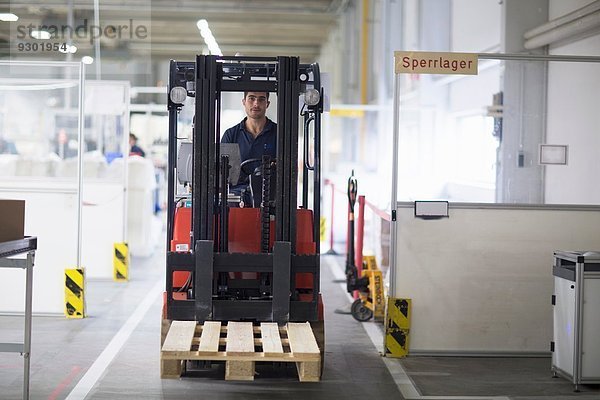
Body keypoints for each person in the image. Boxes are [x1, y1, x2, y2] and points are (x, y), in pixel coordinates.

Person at [221, 91, 276, 183]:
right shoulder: (231, 135)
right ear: (244, 102)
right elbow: (222, 172)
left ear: (267, 104)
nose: (256, 103)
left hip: (269, 193)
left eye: (261, 99)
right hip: (236, 193)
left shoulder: (279, 134)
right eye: (251, 98)